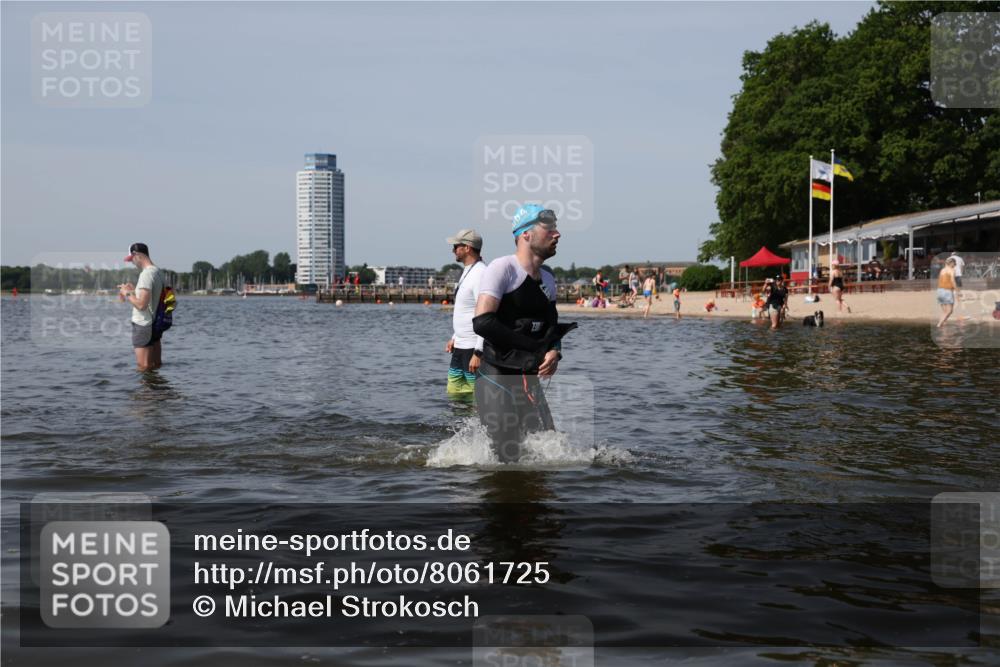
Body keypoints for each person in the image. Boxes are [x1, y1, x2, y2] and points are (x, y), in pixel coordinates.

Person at [472, 204, 576, 463]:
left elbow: (551, 325)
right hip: (497, 377)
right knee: (507, 460)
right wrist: (533, 348)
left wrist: (554, 351)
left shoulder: (549, 278)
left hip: (528, 379)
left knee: (548, 449)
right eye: (549, 228)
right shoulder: (503, 268)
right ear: (526, 234)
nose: (557, 234)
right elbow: (482, 322)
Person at [444, 229, 486, 396]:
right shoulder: (468, 270)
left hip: (473, 348)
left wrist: (478, 352)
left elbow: (485, 314)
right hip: (460, 346)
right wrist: (455, 337)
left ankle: (477, 423)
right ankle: (458, 424)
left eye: (456, 246)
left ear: (467, 248)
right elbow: (466, 310)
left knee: (475, 398)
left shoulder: (481, 273)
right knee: (454, 394)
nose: (453, 250)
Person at [119, 242, 164, 371]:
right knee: (155, 366)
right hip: (155, 323)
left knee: (143, 368)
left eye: (132, 259)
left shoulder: (146, 274)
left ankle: (146, 391)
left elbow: (142, 305)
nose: (132, 263)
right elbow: (154, 298)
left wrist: (126, 293)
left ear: (136, 255)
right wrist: (134, 291)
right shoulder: (158, 272)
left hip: (143, 324)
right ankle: (159, 390)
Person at [937, 256, 958, 327]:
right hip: (947, 291)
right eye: (954, 264)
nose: (955, 265)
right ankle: (939, 324)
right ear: (951, 263)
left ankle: (943, 327)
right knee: (949, 311)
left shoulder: (942, 270)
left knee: (944, 312)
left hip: (939, 291)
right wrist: (957, 291)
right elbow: (952, 281)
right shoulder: (951, 270)